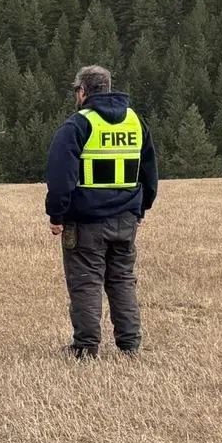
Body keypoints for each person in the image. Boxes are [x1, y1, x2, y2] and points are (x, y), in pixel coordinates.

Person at [45, 64, 158, 359]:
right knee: (122, 280)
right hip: (126, 219)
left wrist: (56, 216)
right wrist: (141, 209)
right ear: (107, 88)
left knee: (86, 282)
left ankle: (86, 347)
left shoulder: (77, 125)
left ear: (82, 91)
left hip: (86, 222)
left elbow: (60, 178)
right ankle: (130, 345)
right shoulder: (135, 122)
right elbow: (149, 172)